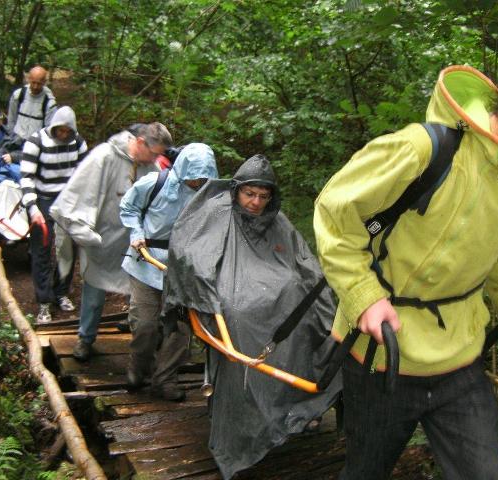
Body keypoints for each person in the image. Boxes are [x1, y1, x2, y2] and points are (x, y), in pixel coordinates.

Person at [313, 33, 498, 479]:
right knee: (365, 471)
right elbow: (335, 215)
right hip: (384, 354)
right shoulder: (422, 151)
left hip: (460, 358)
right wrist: (364, 295)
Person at [162, 155, 342, 478]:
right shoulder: (217, 215)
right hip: (233, 297)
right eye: (249, 194)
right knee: (237, 315)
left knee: (303, 309)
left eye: (263, 196)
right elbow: (194, 255)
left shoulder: (277, 222)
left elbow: (303, 262)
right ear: (237, 191)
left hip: (274, 294)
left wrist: (326, 302)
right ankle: (243, 417)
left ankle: (293, 401)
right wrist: (205, 294)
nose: (256, 203)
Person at [49, 122, 172, 361]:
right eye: (154, 152)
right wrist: (85, 232)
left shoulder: (152, 166)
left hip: (134, 242)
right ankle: (86, 339)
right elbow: (78, 193)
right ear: (139, 142)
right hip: (103, 240)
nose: (157, 159)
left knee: (139, 292)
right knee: (95, 290)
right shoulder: (104, 156)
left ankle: (141, 338)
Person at [120, 143, 218, 401]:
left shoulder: (211, 196)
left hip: (184, 269)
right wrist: (136, 233)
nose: (197, 182)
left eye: (203, 177)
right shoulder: (155, 184)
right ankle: (138, 368)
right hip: (147, 262)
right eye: (194, 176)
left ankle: (165, 379)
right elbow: (129, 208)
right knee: (146, 323)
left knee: (181, 329)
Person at [20, 106, 88, 323]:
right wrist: (33, 208)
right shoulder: (35, 142)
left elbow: (84, 175)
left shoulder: (78, 143)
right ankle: (43, 302)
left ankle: (61, 291)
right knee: (42, 251)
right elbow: (27, 178)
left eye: (67, 131)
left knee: (68, 249)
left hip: (68, 201)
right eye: (60, 130)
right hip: (43, 199)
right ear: (53, 126)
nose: (63, 135)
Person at [7, 65, 57, 144]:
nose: (35, 86)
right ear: (28, 79)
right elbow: (11, 119)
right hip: (15, 140)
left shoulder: (49, 103)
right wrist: (10, 137)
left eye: (39, 83)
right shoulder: (18, 95)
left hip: (36, 144)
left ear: (44, 82)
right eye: (33, 82)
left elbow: (49, 130)